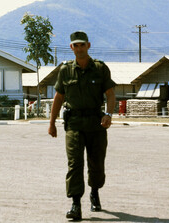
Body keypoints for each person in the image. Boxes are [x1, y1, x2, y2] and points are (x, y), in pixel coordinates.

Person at [48, 31, 116, 221]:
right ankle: (75, 204)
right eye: (75, 45)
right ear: (71, 47)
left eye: (82, 45)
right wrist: (51, 123)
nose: (79, 48)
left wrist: (108, 115)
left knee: (96, 163)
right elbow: (59, 97)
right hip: (74, 124)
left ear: (88, 45)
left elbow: (110, 94)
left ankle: (94, 192)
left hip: (96, 123)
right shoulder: (65, 70)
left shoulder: (100, 68)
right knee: (74, 163)